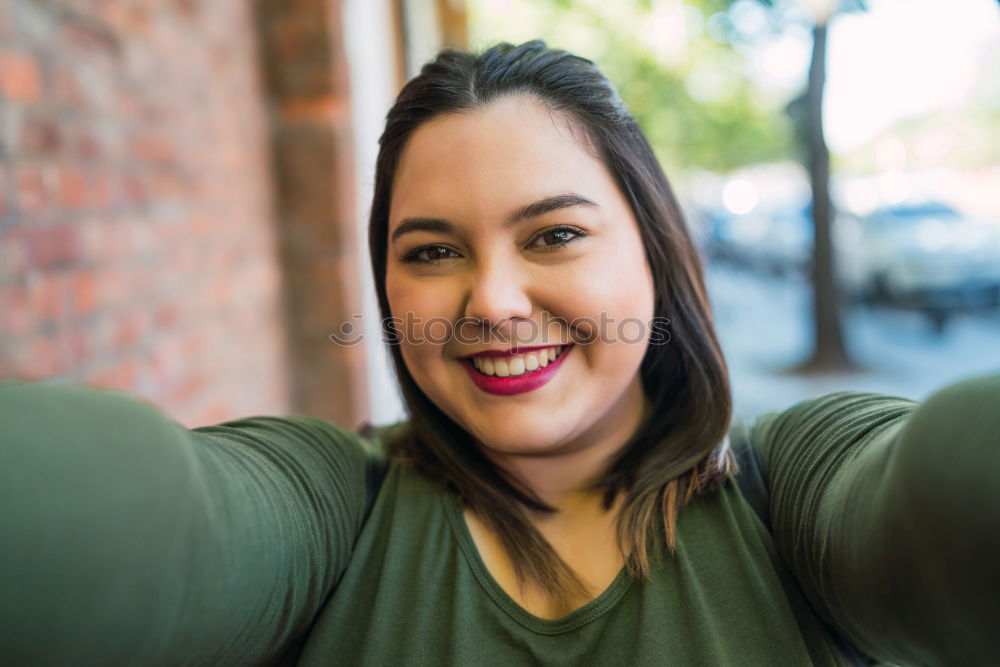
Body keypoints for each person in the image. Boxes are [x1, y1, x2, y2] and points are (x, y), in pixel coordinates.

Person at [0, 40, 998, 666]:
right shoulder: (332, 508)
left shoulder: (792, 491)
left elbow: (941, 491)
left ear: (651, 254)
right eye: (432, 251)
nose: (492, 301)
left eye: (553, 234)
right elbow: (145, 521)